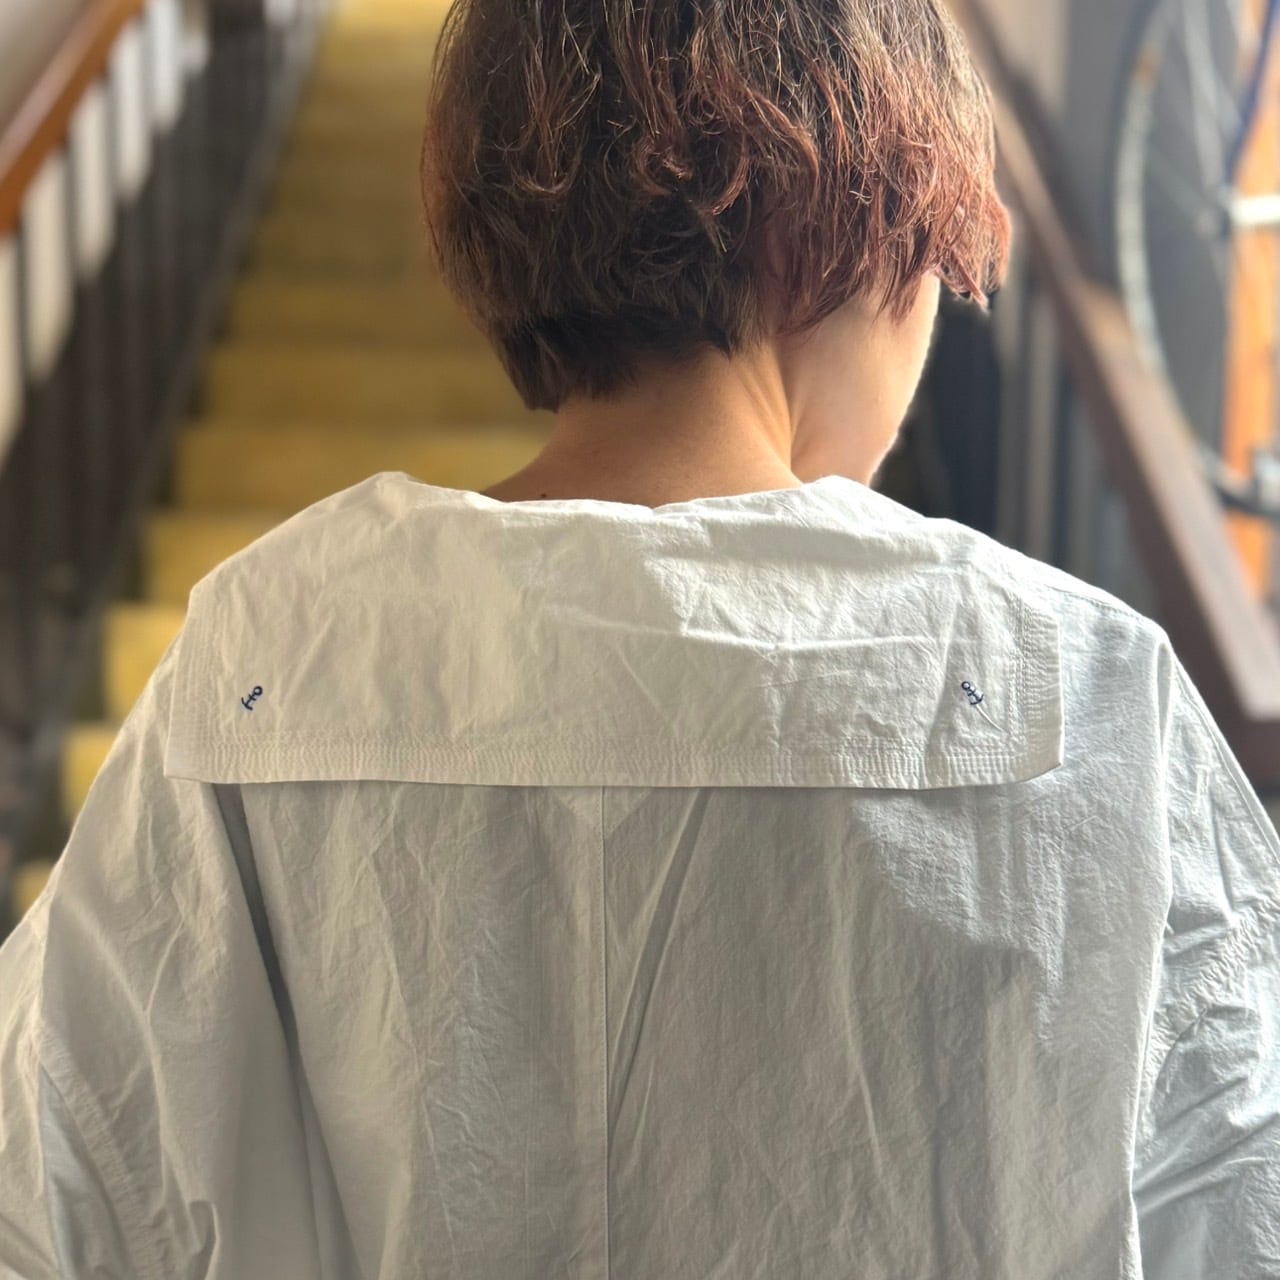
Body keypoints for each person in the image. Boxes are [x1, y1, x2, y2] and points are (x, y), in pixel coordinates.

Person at [2, 0, 1279, 1275]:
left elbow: (47, 1185)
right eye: (926, 266)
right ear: (812, 232)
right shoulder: (1082, 690)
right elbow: (1240, 1190)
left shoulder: (265, 654)